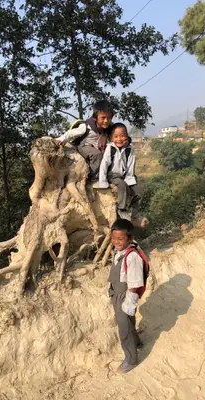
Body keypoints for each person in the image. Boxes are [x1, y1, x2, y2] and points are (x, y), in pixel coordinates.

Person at [109, 219, 145, 374]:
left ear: (130, 238)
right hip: (117, 294)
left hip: (125, 296)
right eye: (113, 239)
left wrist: (128, 304)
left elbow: (135, 283)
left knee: (124, 329)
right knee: (128, 322)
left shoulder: (132, 257)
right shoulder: (120, 252)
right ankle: (136, 343)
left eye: (120, 239)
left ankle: (130, 360)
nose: (116, 242)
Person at [94, 123, 148, 226]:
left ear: (127, 136)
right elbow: (104, 165)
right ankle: (122, 209)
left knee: (139, 189)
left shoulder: (130, 149)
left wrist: (130, 180)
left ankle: (135, 211)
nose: (119, 139)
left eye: (122, 136)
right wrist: (103, 182)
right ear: (111, 138)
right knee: (122, 186)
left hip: (125, 175)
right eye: (116, 136)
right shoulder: (110, 148)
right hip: (113, 175)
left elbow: (131, 165)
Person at [55, 100, 114, 181]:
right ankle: (93, 178)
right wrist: (60, 139)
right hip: (83, 147)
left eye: (109, 118)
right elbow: (71, 133)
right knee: (96, 154)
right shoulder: (86, 126)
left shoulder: (107, 128)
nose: (106, 121)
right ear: (95, 117)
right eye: (103, 118)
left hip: (97, 148)